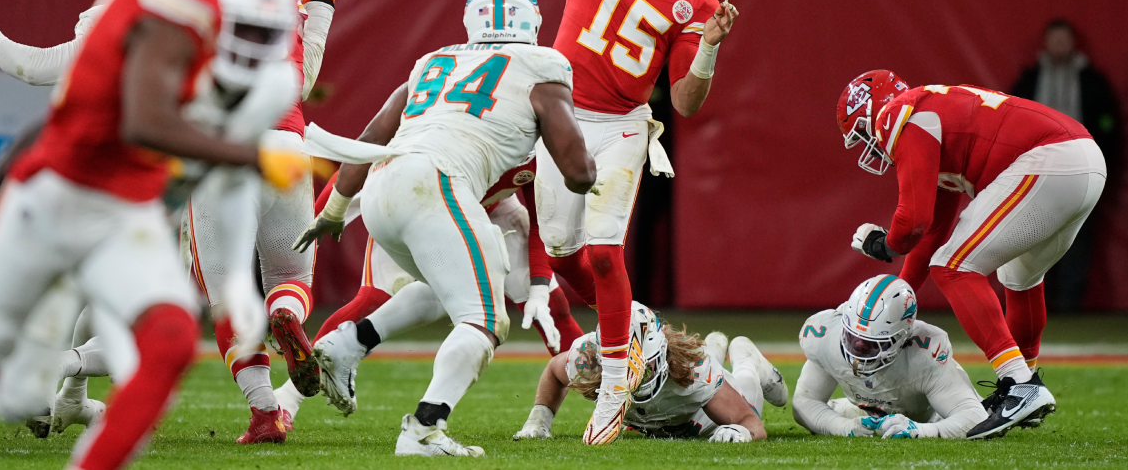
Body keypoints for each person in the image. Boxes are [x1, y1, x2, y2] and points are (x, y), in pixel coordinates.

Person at [0, 0, 310, 470]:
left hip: (123, 207)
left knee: (166, 344)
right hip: (60, 201)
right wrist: (247, 153)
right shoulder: (170, 3)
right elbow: (146, 120)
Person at [496, 0, 740, 445]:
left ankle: (613, 383)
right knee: (564, 256)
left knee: (605, 255)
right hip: (560, 118)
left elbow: (685, 103)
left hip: (624, 125)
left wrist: (708, 45)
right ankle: (632, 333)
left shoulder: (698, 3)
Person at [301, 0, 597, 457]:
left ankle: (347, 344)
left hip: (382, 187)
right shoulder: (543, 65)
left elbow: (371, 137)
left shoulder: (433, 61)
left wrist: (334, 210)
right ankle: (423, 429)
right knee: (485, 321)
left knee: (444, 292)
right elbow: (579, 173)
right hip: (436, 184)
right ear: (534, 22)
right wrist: (599, 165)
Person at [838, 70, 1106, 438]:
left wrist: (885, 244)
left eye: (864, 134)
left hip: (1051, 158)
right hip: (1082, 160)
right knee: (1020, 275)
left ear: (872, 112)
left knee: (953, 267)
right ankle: (1021, 389)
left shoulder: (900, 113)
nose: (872, 145)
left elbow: (913, 221)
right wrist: (900, 293)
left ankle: (1019, 385)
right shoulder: (932, 118)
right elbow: (933, 229)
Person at [278, 159, 584, 423]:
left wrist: (541, 288)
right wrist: (325, 213)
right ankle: (289, 398)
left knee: (549, 307)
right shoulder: (467, 115)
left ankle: (604, 391)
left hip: (487, 206)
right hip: (421, 196)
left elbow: (542, 217)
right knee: (380, 299)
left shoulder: (542, 135)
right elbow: (374, 144)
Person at [178, 0, 338, 444]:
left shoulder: (192, 0)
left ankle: (266, 412)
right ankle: (285, 313)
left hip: (224, 151)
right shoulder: (281, 5)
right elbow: (303, 85)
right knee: (291, 278)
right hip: (289, 146)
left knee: (226, 297)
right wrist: (322, 14)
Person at [513, 302, 786, 442]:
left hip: (704, 416)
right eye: (617, 361)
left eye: (640, 365)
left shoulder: (693, 371)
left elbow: (751, 422)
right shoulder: (588, 356)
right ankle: (715, 345)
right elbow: (553, 370)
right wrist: (539, 421)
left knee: (742, 386)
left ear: (660, 355)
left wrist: (738, 432)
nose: (633, 375)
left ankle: (747, 359)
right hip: (678, 403)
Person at [793, 275, 987, 439]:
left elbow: (974, 416)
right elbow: (805, 403)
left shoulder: (925, 352)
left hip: (932, 415)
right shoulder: (825, 337)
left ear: (902, 337)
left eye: (871, 344)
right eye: (852, 338)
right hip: (867, 409)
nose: (858, 349)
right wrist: (845, 427)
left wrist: (921, 430)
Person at [1012, 20, 1119, 313]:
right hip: (1037, 173)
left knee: (1076, 238)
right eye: (1054, 40)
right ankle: (1036, 301)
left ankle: (1071, 303)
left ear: (1074, 43)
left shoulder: (1092, 81)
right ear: (1046, 44)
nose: (1059, 46)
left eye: (1064, 40)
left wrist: (1102, 164)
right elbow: (1009, 124)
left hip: (1080, 171)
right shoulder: (1029, 80)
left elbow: (1109, 124)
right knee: (1035, 237)